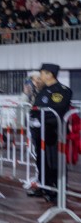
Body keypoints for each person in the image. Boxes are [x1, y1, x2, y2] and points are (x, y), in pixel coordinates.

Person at [27, 63, 73, 202]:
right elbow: (35, 108)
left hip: (53, 132)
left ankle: (56, 190)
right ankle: (44, 186)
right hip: (40, 132)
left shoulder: (61, 91)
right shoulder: (43, 90)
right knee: (41, 160)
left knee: (54, 162)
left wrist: (39, 117)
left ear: (49, 74)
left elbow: (56, 111)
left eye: (42, 73)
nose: (40, 76)